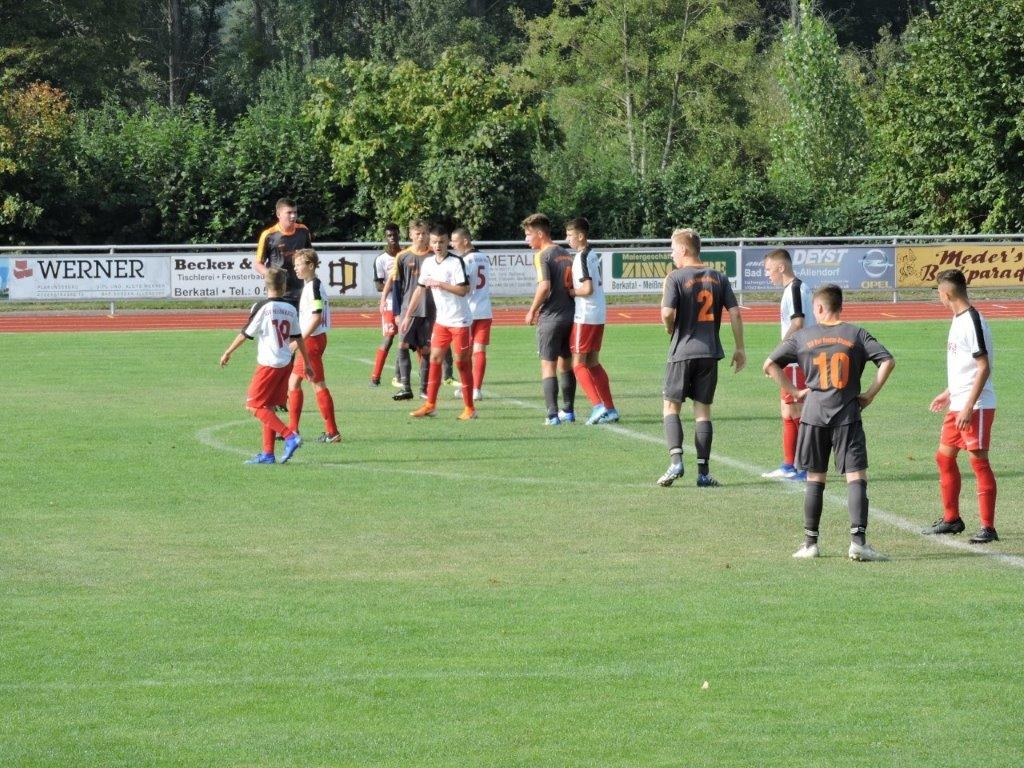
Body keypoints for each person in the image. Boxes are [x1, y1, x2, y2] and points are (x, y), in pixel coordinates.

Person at [763, 283, 896, 562]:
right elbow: (887, 361)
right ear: (840, 306)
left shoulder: (803, 336)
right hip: (847, 414)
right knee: (856, 476)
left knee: (815, 478)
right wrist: (870, 394)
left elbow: (769, 364)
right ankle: (858, 542)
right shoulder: (856, 334)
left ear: (820, 307)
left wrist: (794, 391)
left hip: (813, 416)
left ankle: (810, 543)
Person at [657, 228, 745, 488]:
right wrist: (740, 348)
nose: (671, 254)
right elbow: (735, 313)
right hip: (709, 352)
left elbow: (667, 313)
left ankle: (676, 462)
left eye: (673, 249)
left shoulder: (675, 277)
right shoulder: (719, 277)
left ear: (684, 249)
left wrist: (669, 327)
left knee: (670, 406)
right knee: (702, 411)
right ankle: (704, 473)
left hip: (682, 351)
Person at [923, 269, 999, 543]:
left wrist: (967, 406)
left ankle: (988, 528)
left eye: (939, 292)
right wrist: (948, 393)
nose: (939, 297)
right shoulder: (958, 319)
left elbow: (983, 367)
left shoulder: (972, 321)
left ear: (946, 293)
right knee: (944, 457)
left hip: (976, 405)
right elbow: (964, 367)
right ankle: (952, 519)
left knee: (978, 462)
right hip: (959, 402)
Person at [220, 267, 312, 464]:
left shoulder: (262, 307)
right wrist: (307, 362)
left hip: (269, 364)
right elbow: (298, 337)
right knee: (267, 406)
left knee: (253, 405)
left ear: (265, 285)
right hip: (286, 362)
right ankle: (268, 454)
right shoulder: (290, 308)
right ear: (284, 286)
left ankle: (290, 436)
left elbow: (245, 334)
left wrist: (228, 351)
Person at [399, 226, 477, 420]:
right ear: (430, 242)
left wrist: (440, 284)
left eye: (441, 242)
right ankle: (430, 405)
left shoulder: (455, 262)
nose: (437, 245)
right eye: (434, 242)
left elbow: (463, 290)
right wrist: (407, 316)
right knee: (434, 358)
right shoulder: (428, 264)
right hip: (442, 321)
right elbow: (419, 289)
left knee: (461, 363)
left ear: (448, 242)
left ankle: (470, 408)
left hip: (460, 321)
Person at [761, 248, 814, 480]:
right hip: (795, 357)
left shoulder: (794, 288)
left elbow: (798, 322)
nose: (767, 274)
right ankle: (789, 464)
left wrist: (780, 352)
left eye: (769, 269)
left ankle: (805, 467)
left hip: (797, 357)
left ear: (781, 267)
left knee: (797, 410)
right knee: (787, 410)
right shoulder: (795, 288)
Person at [523, 213, 577, 425]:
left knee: (548, 366)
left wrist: (532, 310)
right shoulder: (565, 253)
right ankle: (568, 411)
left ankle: (552, 415)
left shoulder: (542, 255)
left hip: (551, 317)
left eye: (528, 235)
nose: (526, 240)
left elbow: (544, 286)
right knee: (566, 364)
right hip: (570, 315)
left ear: (539, 234)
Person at [565, 217, 619, 425]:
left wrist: (571, 292)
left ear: (580, 236)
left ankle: (597, 406)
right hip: (598, 314)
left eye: (570, 235)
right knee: (593, 363)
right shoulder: (592, 253)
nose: (567, 239)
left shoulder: (581, 257)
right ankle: (610, 408)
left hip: (585, 315)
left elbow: (587, 289)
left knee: (577, 364)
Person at [285, 249, 341, 443]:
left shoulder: (314, 287)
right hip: (313, 340)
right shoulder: (311, 285)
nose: (295, 268)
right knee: (294, 382)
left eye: (299, 264)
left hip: (311, 342)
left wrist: (298, 341)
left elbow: (316, 317)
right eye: (294, 265)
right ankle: (293, 429)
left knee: (317, 384)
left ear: (310, 265)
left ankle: (332, 432)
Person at [380, 220, 433, 401]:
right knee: (402, 345)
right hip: (407, 310)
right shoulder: (402, 256)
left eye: (424, 233)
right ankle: (406, 387)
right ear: (411, 235)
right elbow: (397, 286)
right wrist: (396, 312)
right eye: (418, 233)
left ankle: (424, 389)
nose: (421, 237)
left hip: (429, 310)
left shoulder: (433, 256)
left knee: (425, 349)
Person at [451, 226, 492, 402]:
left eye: (455, 241)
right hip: (485, 309)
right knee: (479, 350)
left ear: (465, 241)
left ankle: (467, 386)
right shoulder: (485, 257)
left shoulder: (464, 261)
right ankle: (476, 389)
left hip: (467, 311)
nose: (452, 245)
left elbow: (463, 287)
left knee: (464, 353)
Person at [254, 197, 312, 307]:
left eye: (295, 212)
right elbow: (258, 264)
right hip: (278, 293)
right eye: (289, 213)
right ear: (278, 214)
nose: (293, 216)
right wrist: (272, 276)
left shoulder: (303, 230)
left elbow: (310, 257)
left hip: (301, 291)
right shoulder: (268, 235)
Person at [369, 223, 402, 387]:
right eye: (389, 235)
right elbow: (378, 285)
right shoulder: (381, 259)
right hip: (389, 304)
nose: (392, 238)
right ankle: (375, 377)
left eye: (395, 235)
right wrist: (397, 286)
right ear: (385, 237)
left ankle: (402, 376)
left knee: (413, 340)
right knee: (388, 338)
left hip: (407, 303)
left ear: (399, 235)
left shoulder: (405, 255)